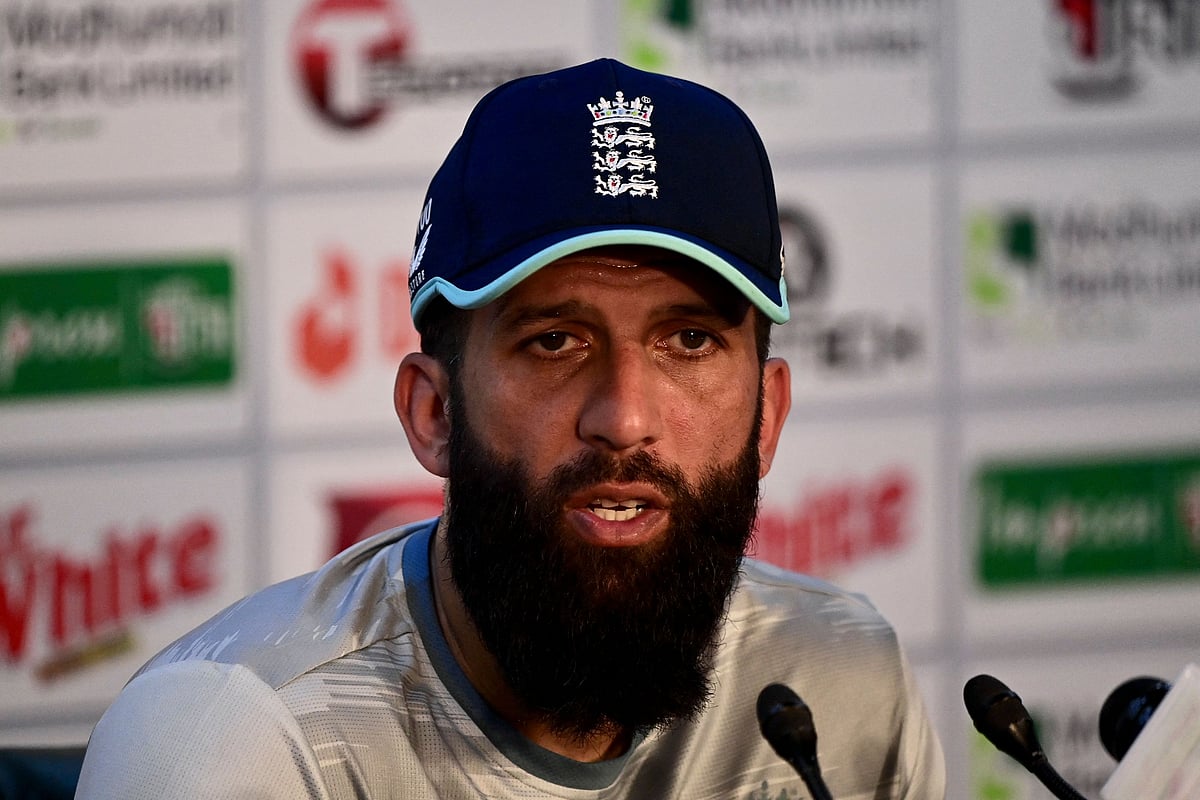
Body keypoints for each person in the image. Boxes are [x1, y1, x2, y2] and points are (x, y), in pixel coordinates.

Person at [76, 58, 945, 799]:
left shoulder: (839, 684)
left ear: (768, 416)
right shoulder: (234, 741)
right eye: (556, 341)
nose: (626, 417)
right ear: (434, 412)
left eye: (689, 340)